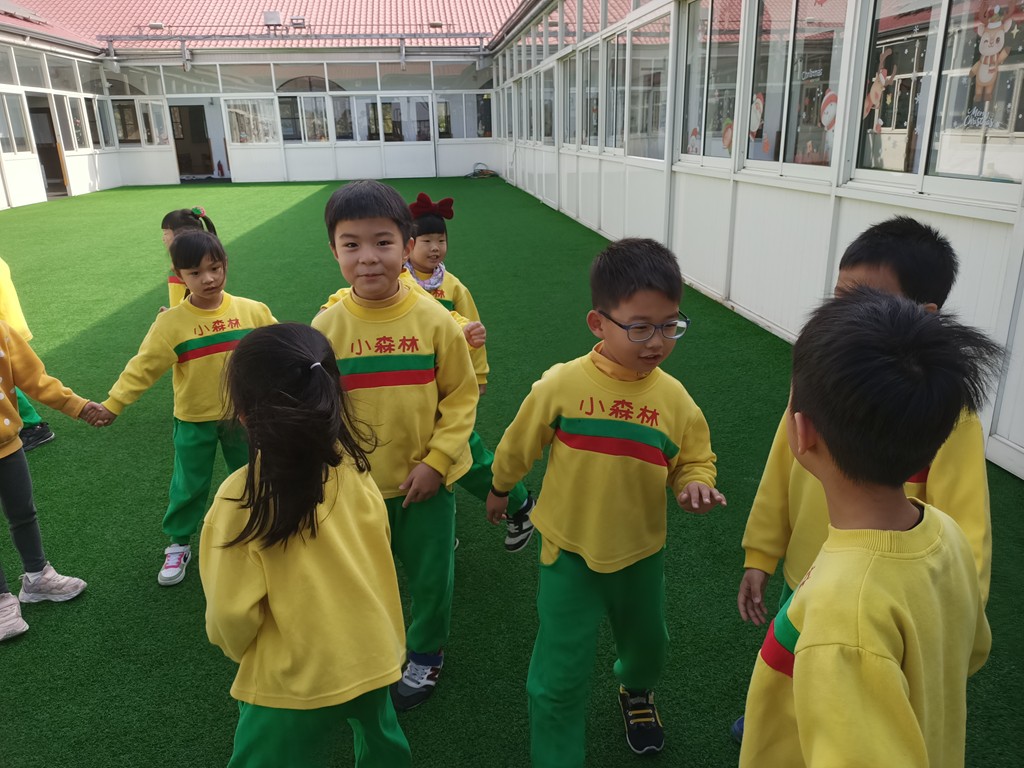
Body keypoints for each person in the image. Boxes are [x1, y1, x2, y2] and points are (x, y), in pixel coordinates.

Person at [733, 216, 992, 742]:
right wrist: (760, 553)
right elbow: (779, 470)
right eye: (839, 299)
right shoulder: (821, 382)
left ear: (923, 316)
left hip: (892, 594)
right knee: (798, 668)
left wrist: (951, 615)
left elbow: (969, 531)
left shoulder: (946, 414)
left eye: (865, 301)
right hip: (807, 575)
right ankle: (776, 718)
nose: (841, 317)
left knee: (860, 693)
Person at [486, 238, 726, 765]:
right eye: (640, 328)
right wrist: (502, 487)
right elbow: (518, 443)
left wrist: (694, 482)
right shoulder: (562, 385)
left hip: (641, 553)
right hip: (567, 552)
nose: (656, 342)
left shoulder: (675, 400)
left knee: (648, 648)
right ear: (598, 323)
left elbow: (695, 458)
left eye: (669, 325)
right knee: (557, 675)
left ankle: (635, 690)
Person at [200, 323, 410, 767]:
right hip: (375, 654)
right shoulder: (355, 468)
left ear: (244, 415)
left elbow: (229, 617)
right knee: (383, 747)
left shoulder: (240, 498)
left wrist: (242, 652)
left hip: (292, 678)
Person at [311, 179, 478, 711]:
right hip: (354, 489)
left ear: (406, 247)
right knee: (361, 577)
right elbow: (318, 410)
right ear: (334, 251)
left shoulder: (435, 320)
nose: (367, 258)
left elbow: (461, 397)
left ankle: (425, 653)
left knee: (430, 577)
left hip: (424, 485)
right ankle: (373, 650)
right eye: (351, 244)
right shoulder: (326, 327)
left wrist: (437, 463)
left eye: (382, 242)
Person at [91, 230, 276, 586]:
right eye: (195, 272)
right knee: (189, 484)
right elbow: (143, 367)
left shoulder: (253, 311)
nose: (208, 279)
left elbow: (281, 349)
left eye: (215, 268)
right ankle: (179, 543)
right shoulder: (171, 323)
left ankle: (261, 530)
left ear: (225, 265)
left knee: (254, 474)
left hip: (245, 416)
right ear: (179, 275)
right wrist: (113, 404)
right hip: (194, 419)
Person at [403, 192, 535, 552]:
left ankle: (517, 501)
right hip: (413, 382)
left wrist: (478, 377)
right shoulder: (398, 282)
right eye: (427, 241)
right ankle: (437, 527)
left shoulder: (453, 286)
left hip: (446, 382)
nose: (435, 248)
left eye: (441, 240)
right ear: (409, 245)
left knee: (457, 448)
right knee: (427, 451)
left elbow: (475, 332)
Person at [0, 318, 99, 641]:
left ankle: (37, 576)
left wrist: (78, 406)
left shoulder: (1, 330)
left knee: (23, 513)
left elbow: (35, 378)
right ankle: (1, 599)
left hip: (7, 445)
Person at [0, 256, 55, 451]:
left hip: (5, 330)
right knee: (11, 376)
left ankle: (32, 425)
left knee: (11, 378)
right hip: (9, 326)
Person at [160, 206, 217, 308]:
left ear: (180, 235)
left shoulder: (182, 266)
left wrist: (172, 313)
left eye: (166, 233)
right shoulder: (202, 257)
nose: (163, 238)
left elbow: (186, 306)